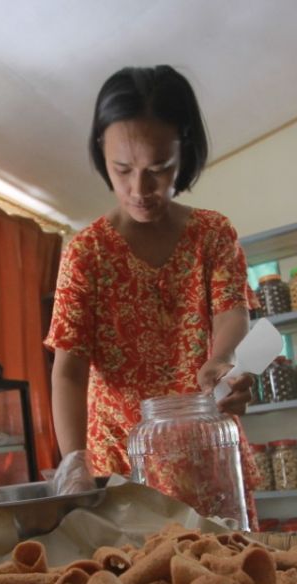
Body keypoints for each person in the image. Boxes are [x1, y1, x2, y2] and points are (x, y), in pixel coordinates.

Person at [44, 65, 257, 508]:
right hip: (122, 472)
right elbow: (68, 369)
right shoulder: (88, 252)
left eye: (159, 169)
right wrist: (74, 464)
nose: (139, 188)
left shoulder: (212, 234)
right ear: (100, 152)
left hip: (207, 459)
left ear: (187, 154)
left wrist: (223, 359)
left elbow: (232, 310)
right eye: (122, 169)